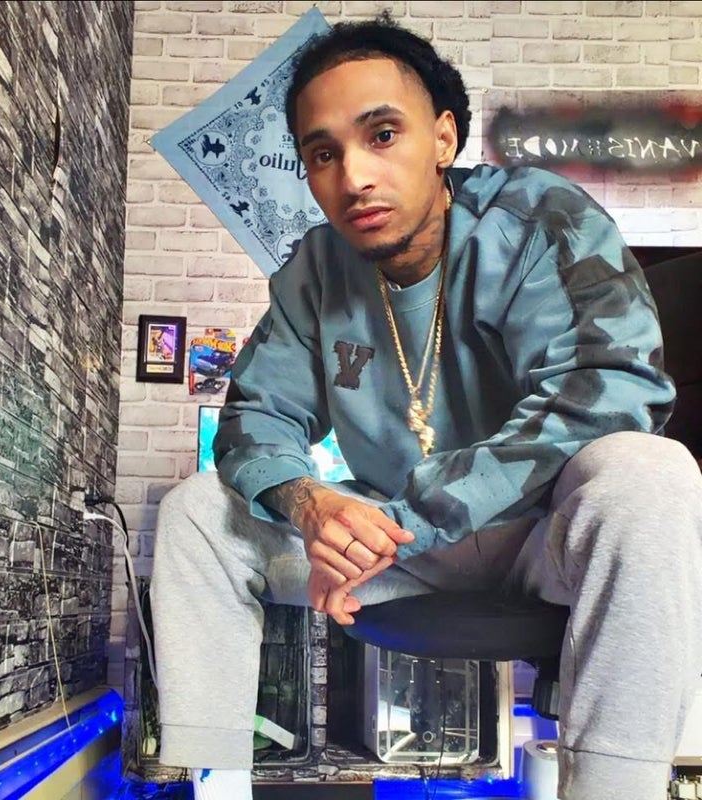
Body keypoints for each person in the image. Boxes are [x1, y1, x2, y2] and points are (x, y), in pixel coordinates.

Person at [150, 14, 702, 800]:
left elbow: (609, 392)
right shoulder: (315, 270)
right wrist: (312, 506)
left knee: (650, 471)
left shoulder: (537, 219)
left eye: (382, 135)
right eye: (323, 153)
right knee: (198, 511)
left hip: (540, 535)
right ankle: (212, 781)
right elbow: (252, 420)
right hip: (395, 550)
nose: (354, 176)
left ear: (443, 137)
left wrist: (406, 520)